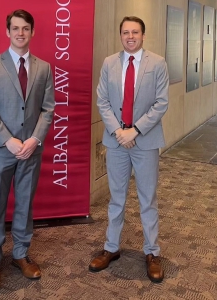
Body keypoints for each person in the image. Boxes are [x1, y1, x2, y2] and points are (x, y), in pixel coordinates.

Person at [0, 9, 55, 291]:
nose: (20, 33)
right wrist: (8, 140)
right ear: (7, 32)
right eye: (15, 28)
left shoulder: (44, 67)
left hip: (30, 151)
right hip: (1, 150)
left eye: (25, 28)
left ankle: (21, 254)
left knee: (25, 205)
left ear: (32, 32)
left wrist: (34, 140)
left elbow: (48, 110)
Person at [89, 16, 169, 283]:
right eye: (126, 32)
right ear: (120, 35)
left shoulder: (157, 63)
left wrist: (134, 131)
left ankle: (152, 252)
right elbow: (102, 100)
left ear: (143, 35)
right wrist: (118, 132)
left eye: (135, 32)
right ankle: (111, 248)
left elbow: (161, 103)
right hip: (116, 141)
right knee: (116, 198)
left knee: (148, 199)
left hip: (144, 140)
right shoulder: (109, 63)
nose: (130, 36)